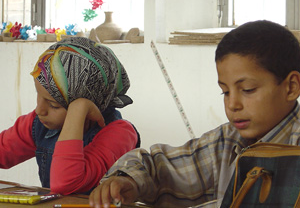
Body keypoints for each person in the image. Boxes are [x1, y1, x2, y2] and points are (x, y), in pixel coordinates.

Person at [89, 20, 300, 208]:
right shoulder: (228, 141)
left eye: (248, 90)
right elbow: (156, 165)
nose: (232, 104)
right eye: (225, 92)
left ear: (291, 87)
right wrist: (128, 180)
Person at [0, 37, 140, 195]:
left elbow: (66, 183)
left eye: (54, 105)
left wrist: (77, 110)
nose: (40, 110)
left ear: (92, 105)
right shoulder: (38, 124)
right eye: (38, 96)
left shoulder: (120, 133)